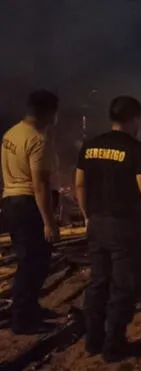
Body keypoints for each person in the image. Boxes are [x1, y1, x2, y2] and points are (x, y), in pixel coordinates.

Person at [75, 96, 141, 363]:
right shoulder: (137, 149)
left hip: (98, 224)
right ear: (135, 119)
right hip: (126, 228)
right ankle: (114, 345)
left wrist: (86, 216)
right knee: (124, 286)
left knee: (98, 282)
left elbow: (79, 185)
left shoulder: (90, 146)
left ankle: (93, 340)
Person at [1, 90, 60, 334]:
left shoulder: (12, 133)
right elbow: (40, 185)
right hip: (28, 206)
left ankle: (30, 308)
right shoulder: (37, 139)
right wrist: (49, 222)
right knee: (33, 264)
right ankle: (23, 320)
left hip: (11, 202)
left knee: (29, 261)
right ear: (49, 112)